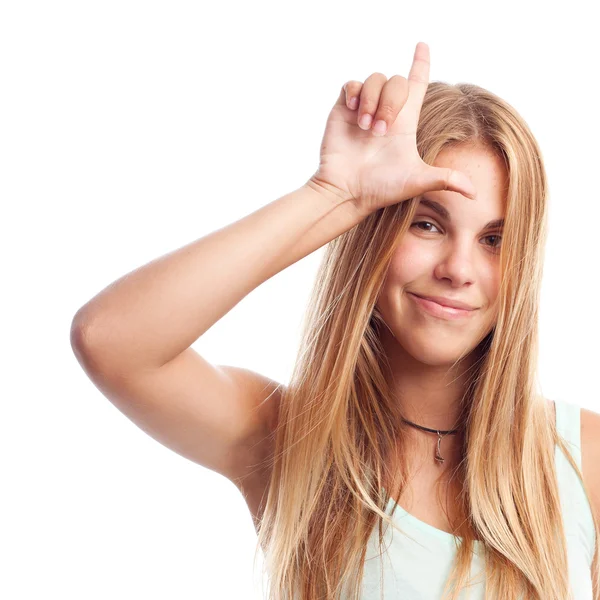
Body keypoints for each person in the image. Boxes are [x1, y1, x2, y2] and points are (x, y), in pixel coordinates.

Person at [70, 42, 600, 599]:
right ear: (373, 233)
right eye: (427, 224)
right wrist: (335, 193)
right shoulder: (283, 441)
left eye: (495, 239)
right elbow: (109, 338)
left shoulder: (583, 457)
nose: (459, 269)